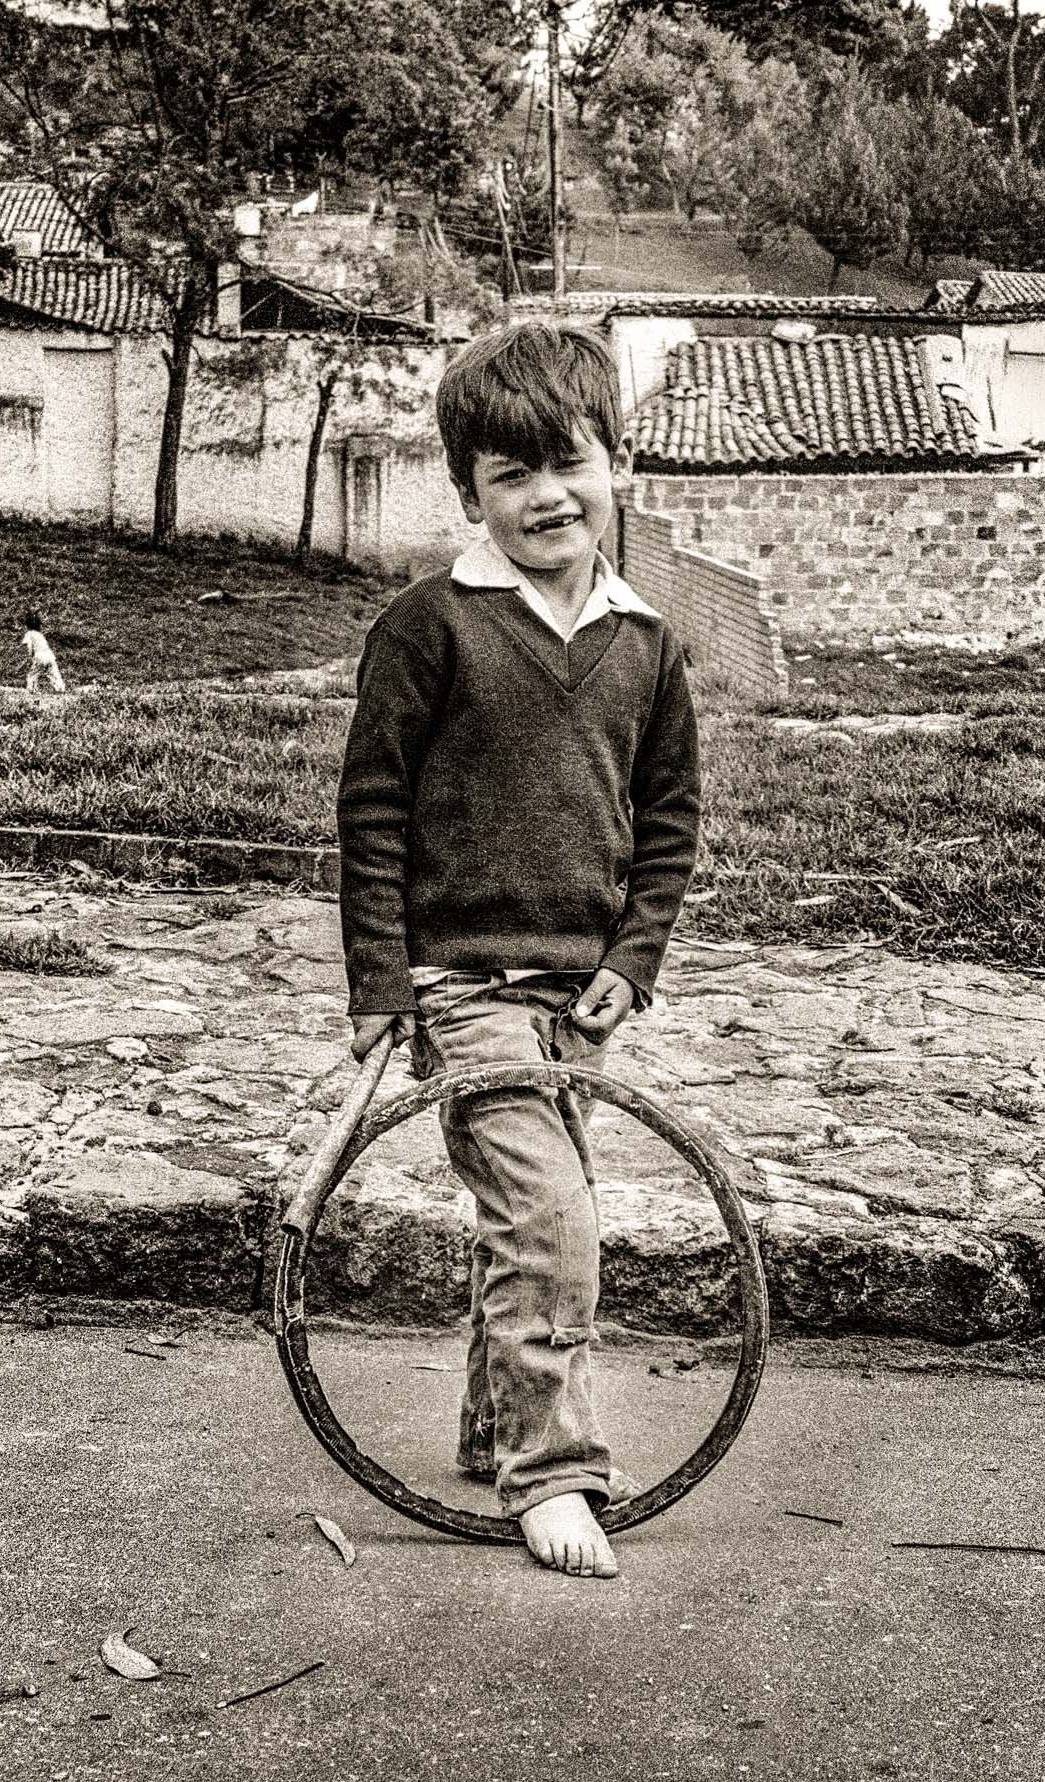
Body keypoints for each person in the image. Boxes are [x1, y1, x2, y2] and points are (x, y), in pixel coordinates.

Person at [337, 322, 700, 1581]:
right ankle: (551, 1472)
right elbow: (372, 807)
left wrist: (635, 957)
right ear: (469, 493)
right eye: (509, 473)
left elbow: (668, 822)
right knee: (551, 1220)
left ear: (620, 464)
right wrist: (384, 982)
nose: (546, 493)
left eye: (570, 462)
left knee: (542, 1210)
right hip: (461, 981)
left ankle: (495, 1424)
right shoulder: (427, 624)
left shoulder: (650, 643)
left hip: (578, 994)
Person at [22, 612, 65, 695]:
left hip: (39, 656)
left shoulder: (29, 634)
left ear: (27, 625)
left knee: (33, 674)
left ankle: (32, 689)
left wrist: (30, 656)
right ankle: (60, 688)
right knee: (53, 673)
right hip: (50, 655)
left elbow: (29, 647)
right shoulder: (40, 635)